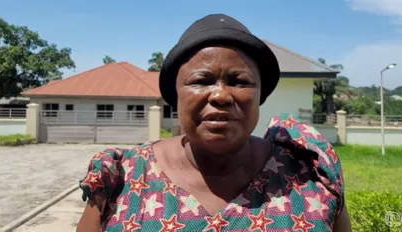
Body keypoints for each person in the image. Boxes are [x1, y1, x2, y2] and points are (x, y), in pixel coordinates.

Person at [77, 14, 352, 232]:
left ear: (260, 95)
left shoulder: (310, 176)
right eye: (201, 81)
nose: (221, 95)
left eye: (240, 81)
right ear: (176, 96)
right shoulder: (122, 177)